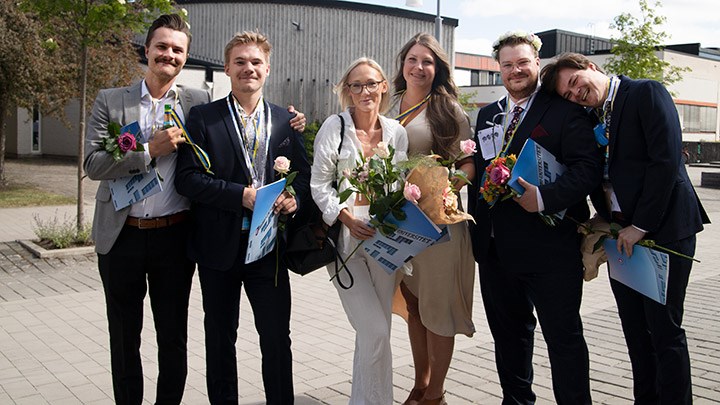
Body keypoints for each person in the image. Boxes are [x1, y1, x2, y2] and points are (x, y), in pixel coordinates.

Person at [540, 52, 710, 404]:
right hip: (620, 236)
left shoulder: (645, 93)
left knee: (664, 331)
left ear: (591, 67)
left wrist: (641, 225)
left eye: (575, 83)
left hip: (662, 231)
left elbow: (665, 161)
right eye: (568, 95)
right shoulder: (591, 117)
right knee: (635, 332)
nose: (576, 94)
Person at [174, 31, 310, 404]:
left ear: (267, 69)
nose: (248, 68)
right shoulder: (203, 117)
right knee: (220, 338)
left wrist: (292, 200)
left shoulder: (285, 121)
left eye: (255, 62)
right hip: (218, 249)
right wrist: (242, 197)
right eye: (240, 62)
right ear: (227, 68)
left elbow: (303, 174)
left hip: (268, 249)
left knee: (277, 338)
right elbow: (187, 179)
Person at [466, 32, 603, 404]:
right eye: (508, 65)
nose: (516, 71)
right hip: (495, 253)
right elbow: (478, 176)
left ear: (537, 64)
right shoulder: (486, 116)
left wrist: (543, 198)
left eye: (523, 63)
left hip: (551, 251)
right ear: (499, 69)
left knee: (564, 339)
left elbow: (587, 170)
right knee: (509, 338)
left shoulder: (565, 110)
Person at [84, 14, 208, 405]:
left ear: (185, 57)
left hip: (175, 236)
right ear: (147, 50)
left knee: (173, 337)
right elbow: (92, 164)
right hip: (121, 236)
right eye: (162, 46)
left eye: (177, 49)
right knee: (124, 337)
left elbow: (233, 131)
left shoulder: (198, 102)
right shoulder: (111, 100)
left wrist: (292, 125)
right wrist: (147, 150)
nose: (168, 55)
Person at [311, 57, 408, 405]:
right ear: (346, 91)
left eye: (371, 83)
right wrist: (345, 216)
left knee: (377, 335)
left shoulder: (397, 132)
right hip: (346, 240)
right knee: (375, 330)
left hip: (385, 241)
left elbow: (398, 185)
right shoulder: (334, 128)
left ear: (383, 86)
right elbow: (319, 184)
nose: (364, 91)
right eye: (356, 85)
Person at [389, 33, 476, 405]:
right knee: (413, 305)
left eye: (428, 61)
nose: (419, 67)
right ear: (402, 64)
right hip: (399, 223)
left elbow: (468, 163)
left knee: (438, 308)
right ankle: (420, 382)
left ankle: (436, 392)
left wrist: (447, 186)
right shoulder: (387, 105)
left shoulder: (448, 110)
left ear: (438, 68)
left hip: (439, 224)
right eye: (413, 59)